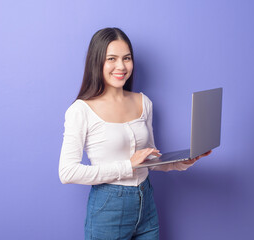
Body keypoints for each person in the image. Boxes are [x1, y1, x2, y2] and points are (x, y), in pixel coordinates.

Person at [59, 27, 211, 240]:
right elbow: (67, 172)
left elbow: (149, 160)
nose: (121, 66)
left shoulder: (143, 102)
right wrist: (127, 165)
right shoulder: (80, 110)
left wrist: (185, 160)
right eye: (111, 58)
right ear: (97, 62)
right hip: (108, 207)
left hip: (145, 202)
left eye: (126, 58)